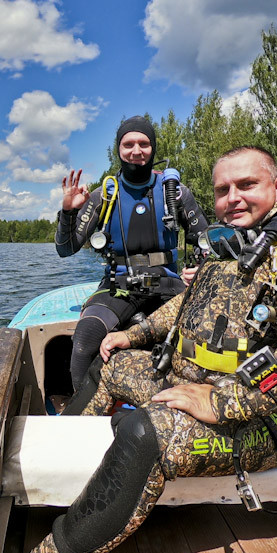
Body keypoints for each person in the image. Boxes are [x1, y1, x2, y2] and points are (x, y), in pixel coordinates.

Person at [28, 146, 277, 553]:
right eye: (223, 190)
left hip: (267, 421)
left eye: (247, 185)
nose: (233, 198)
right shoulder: (231, 245)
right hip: (187, 383)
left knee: (145, 432)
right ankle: (58, 478)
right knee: (111, 367)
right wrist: (135, 335)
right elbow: (186, 304)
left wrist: (225, 400)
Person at [55, 115, 208, 390]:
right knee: (84, 341)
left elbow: (205, 242)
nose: (136, 151)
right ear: (118, 149)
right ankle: (86, 417)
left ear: (153, 148)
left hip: (168, 283)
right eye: (128, 144)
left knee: (197, 336)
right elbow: (66, 249)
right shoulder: (103, 195)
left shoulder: (175, 193)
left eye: (144, 143)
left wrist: (200, 268)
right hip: (117, 285)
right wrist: (68, 212)